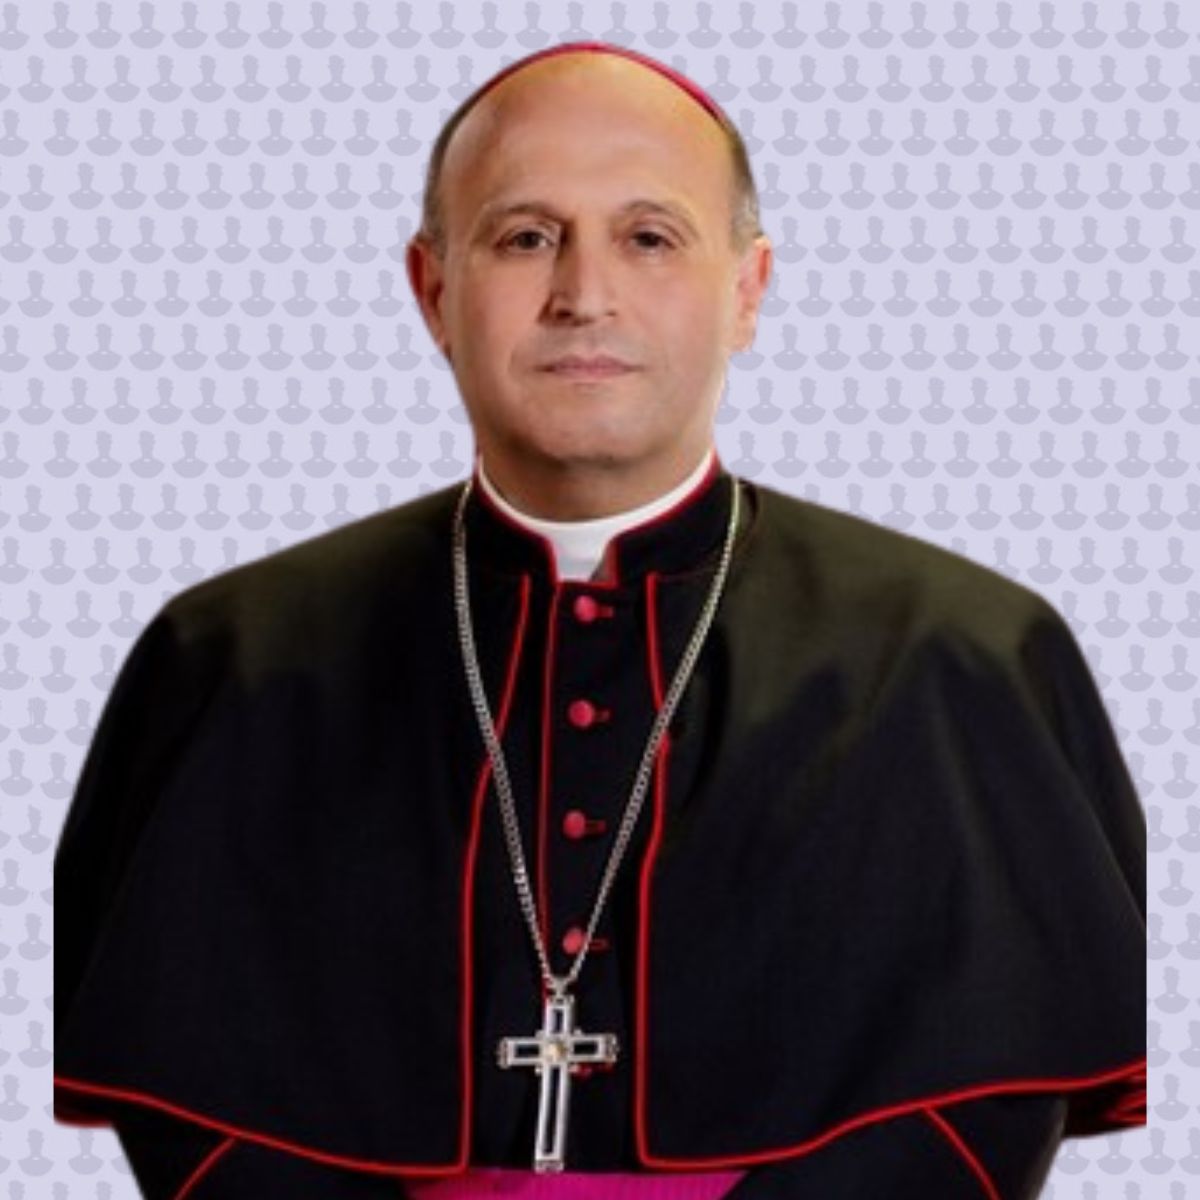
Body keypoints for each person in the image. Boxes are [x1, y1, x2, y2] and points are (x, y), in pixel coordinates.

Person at [54, 41, 1146, 1200]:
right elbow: (187, 1103)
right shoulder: (231, 660)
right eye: (526, 237)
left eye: (650, 237)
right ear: (433, 291)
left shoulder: (960, 658)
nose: (584, 294)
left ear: (747, 291)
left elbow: (989, 1097)